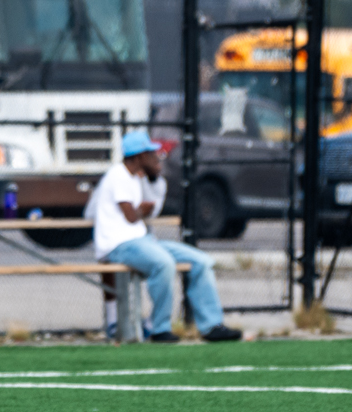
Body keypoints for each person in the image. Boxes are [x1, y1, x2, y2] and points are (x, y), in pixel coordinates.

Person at [90, 131, 242, 343]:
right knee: (164, 264)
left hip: (140, 241)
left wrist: (150, 190)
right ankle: (158, 328)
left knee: (201, 262)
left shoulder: (136, 178)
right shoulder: (118, 175)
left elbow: (146, 210)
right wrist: (142, 210)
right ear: (139, 156)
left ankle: (211, 325)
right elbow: (131, 216)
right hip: (119, 245)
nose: (156, 156)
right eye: (150, 153)